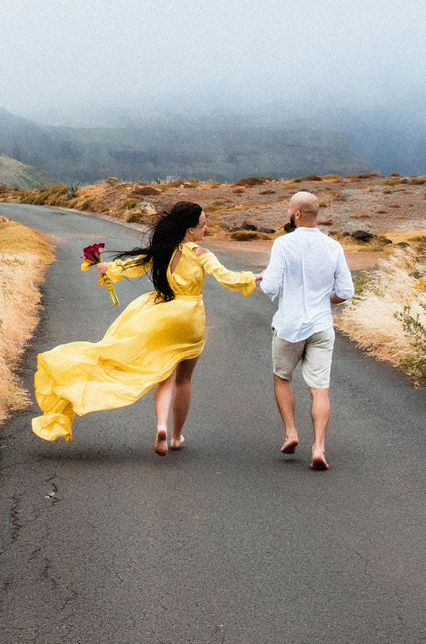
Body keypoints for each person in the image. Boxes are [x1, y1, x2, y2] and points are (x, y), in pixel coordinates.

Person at [30, 200, 261, 454]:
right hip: (191, 318)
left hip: (164, 315)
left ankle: (161, 425)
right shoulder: (201, 254)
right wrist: (253, 277)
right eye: (203, 225)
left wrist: (110, 268)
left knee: (165, 377)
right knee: (184, 380)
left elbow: (136, 263)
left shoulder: (163, 250)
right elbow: (226, 277)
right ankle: (175, 436)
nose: (206, 229)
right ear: (190, 230)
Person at [260, 189, 353, 471]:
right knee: (320, 389)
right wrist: (323, 298)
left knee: (282, 378)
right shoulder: (334, 247)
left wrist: (268, 281)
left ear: (297, 214)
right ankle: (319, 447)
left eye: (290, 208)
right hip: (322, 325)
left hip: (289, 325)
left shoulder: (283, 244)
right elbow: (346, 291)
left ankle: (291, 433)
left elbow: (269, 287)